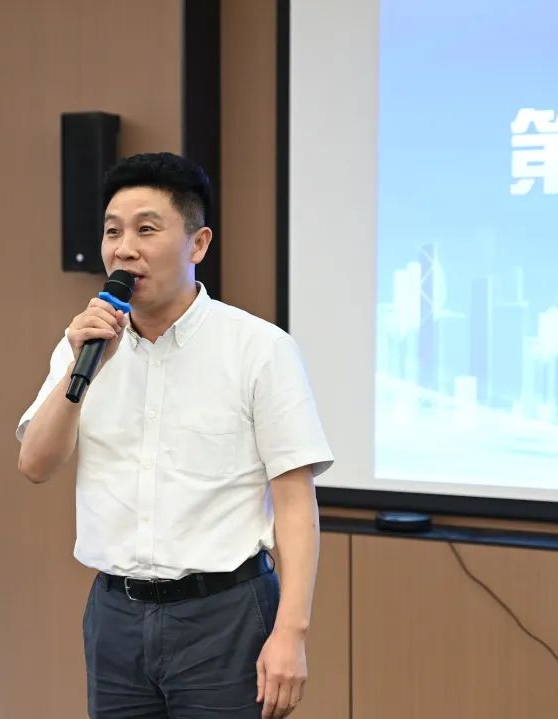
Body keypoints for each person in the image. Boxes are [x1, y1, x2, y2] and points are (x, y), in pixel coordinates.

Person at [17, 152, 333, 719]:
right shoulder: (83, 346)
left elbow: (294, 501)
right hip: (115, 614)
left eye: (146, 229)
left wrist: (292, 631)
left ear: (198, 244)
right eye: (113, 231)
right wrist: (80, 372)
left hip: (225, 615)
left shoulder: (259, 349)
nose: (124, 249)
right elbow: (35, 465)